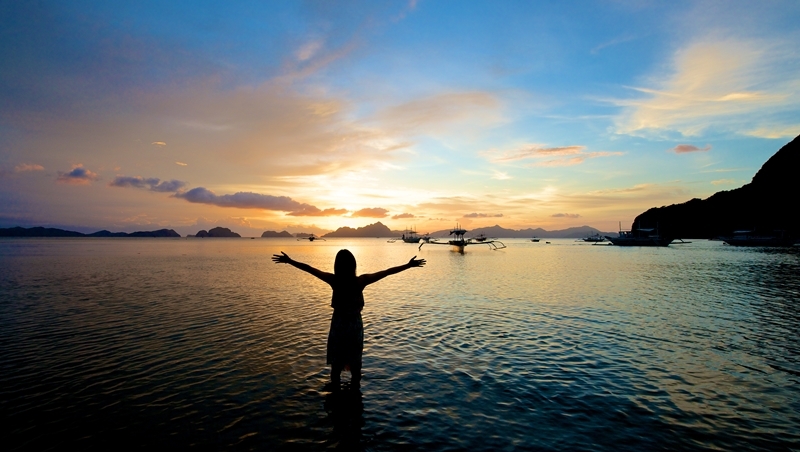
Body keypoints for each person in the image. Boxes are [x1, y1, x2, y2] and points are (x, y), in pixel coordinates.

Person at [272, 249, 426, 387]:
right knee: (354, 366)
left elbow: (310, 269)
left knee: (336, 366)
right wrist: (408, 265)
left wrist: (290, 261)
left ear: (337, 265)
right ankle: (354, 398)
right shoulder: (359, 281)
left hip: (340, 326)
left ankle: (336, 399)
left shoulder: (336, 281)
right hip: (353, 327)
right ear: (353, 265)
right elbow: (386, 272)